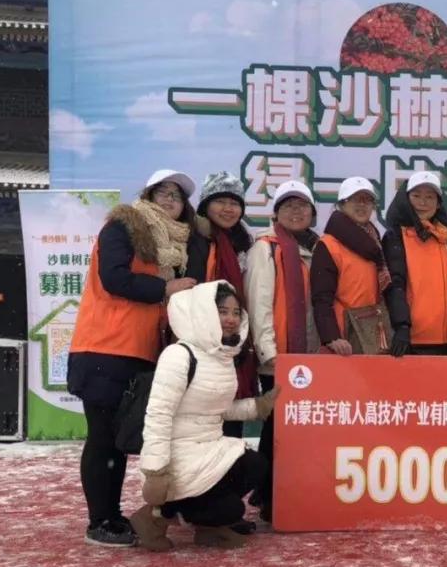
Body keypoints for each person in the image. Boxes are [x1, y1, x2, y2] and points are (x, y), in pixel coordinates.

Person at [67, 169, 197, 546]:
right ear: (148, 196)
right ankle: (100, 521)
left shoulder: (172, 244)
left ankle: (112, 515)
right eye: (163, 192)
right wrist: (166, 288)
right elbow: (114, 278)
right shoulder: (124, 227)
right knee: (103, 438)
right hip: (105, 346)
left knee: (120, 438)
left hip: (139, 351)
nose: (170, 200)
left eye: (177, 196)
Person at [132, 282, 277, 551]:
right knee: (231, 509)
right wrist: (155, 470)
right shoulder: (179, 355)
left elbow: (217, 408)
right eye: (223, 311)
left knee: (256, 465)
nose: (231, 319)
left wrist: (257, 406)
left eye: (236, 312)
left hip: (209, 447)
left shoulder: (223, 356)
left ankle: (208, 526)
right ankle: (156, 515)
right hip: (178, 454)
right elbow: (158, 415)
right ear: (204, 313)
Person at [245, 180, 320, 521]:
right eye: (288, 205)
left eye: (302, 205)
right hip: (278, 358)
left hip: (309, 359)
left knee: (292, 428)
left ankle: (268, 492)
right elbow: (258, 302)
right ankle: (272, 497)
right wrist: (268, 353)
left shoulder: (316, 248)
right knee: (279, 428)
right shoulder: (267, 248)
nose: (296, 211)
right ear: (276, 213)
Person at [186, 171, 259, 438]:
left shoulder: (243, 243)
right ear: (206, 204)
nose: (228, 209)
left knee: (231, 419)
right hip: (201, 341)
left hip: (233, 340)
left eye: (234, 203)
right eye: (220, 201)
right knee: (200, 420)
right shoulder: (195, 238)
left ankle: (228, 463)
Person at [310, 176, 392, 355]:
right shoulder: (328, 245)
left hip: (373, 332)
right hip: (345, 337)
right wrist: (332, 337)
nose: (362, 205)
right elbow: (322, 297)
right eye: (355, 200)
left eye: (367, 200)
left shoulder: (375, 242)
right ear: (341, 204)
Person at [382, 170, 447, 356]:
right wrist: (402, 326)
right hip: (410, 341)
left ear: (438, 204)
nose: (423, 202)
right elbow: (394, 284)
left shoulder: (445, 237)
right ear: (406, 199)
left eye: (430, 197)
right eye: (416, 196)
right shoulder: (395, 236)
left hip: (446, 341)